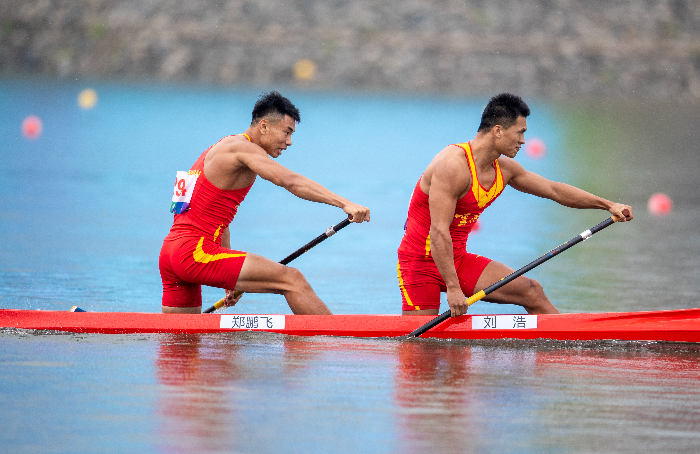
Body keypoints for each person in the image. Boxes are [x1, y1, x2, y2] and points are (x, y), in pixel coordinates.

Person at [397, 93, 632, 317]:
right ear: (498, 131)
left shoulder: (504, 169)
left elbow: (554, 190)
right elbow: (438, 231)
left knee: (532, 291)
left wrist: (607, 205)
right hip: (419, 264)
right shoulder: (452, 167)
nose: (523, 141)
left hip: (456, 260)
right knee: (421, 351)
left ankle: (575, 345)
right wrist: (453, 287)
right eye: (520, 133)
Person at [159, 91, 370, 314]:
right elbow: (289, 181)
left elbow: (220, 218)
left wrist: (229, 277)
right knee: (292, 280)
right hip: (195, 252)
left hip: (170, 254)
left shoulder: (218, 148)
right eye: (286, 132)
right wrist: (344, 203)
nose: (289, 142)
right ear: (264, 126)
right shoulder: (242, 149)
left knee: (180, 341)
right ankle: (336, 344)